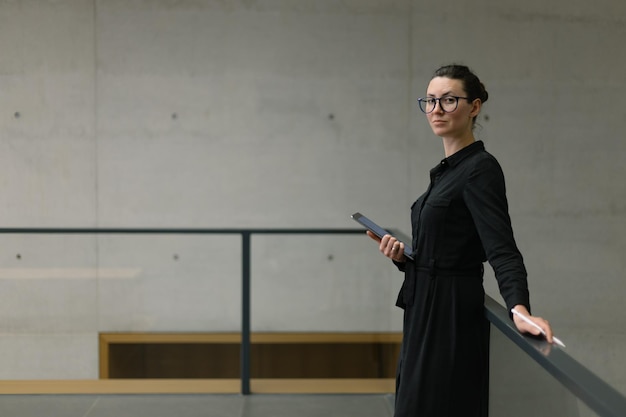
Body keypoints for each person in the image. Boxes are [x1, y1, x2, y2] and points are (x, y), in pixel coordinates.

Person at [366, 64, 555, 417]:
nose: (436, 109)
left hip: (449, 313)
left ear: (475, 106)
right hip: (424, 307)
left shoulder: (480, 169)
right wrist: (401, 257)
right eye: (430, 101)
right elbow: (446, 243)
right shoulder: (447, 171)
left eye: (449, 100)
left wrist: (519, 308)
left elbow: (502, 249)